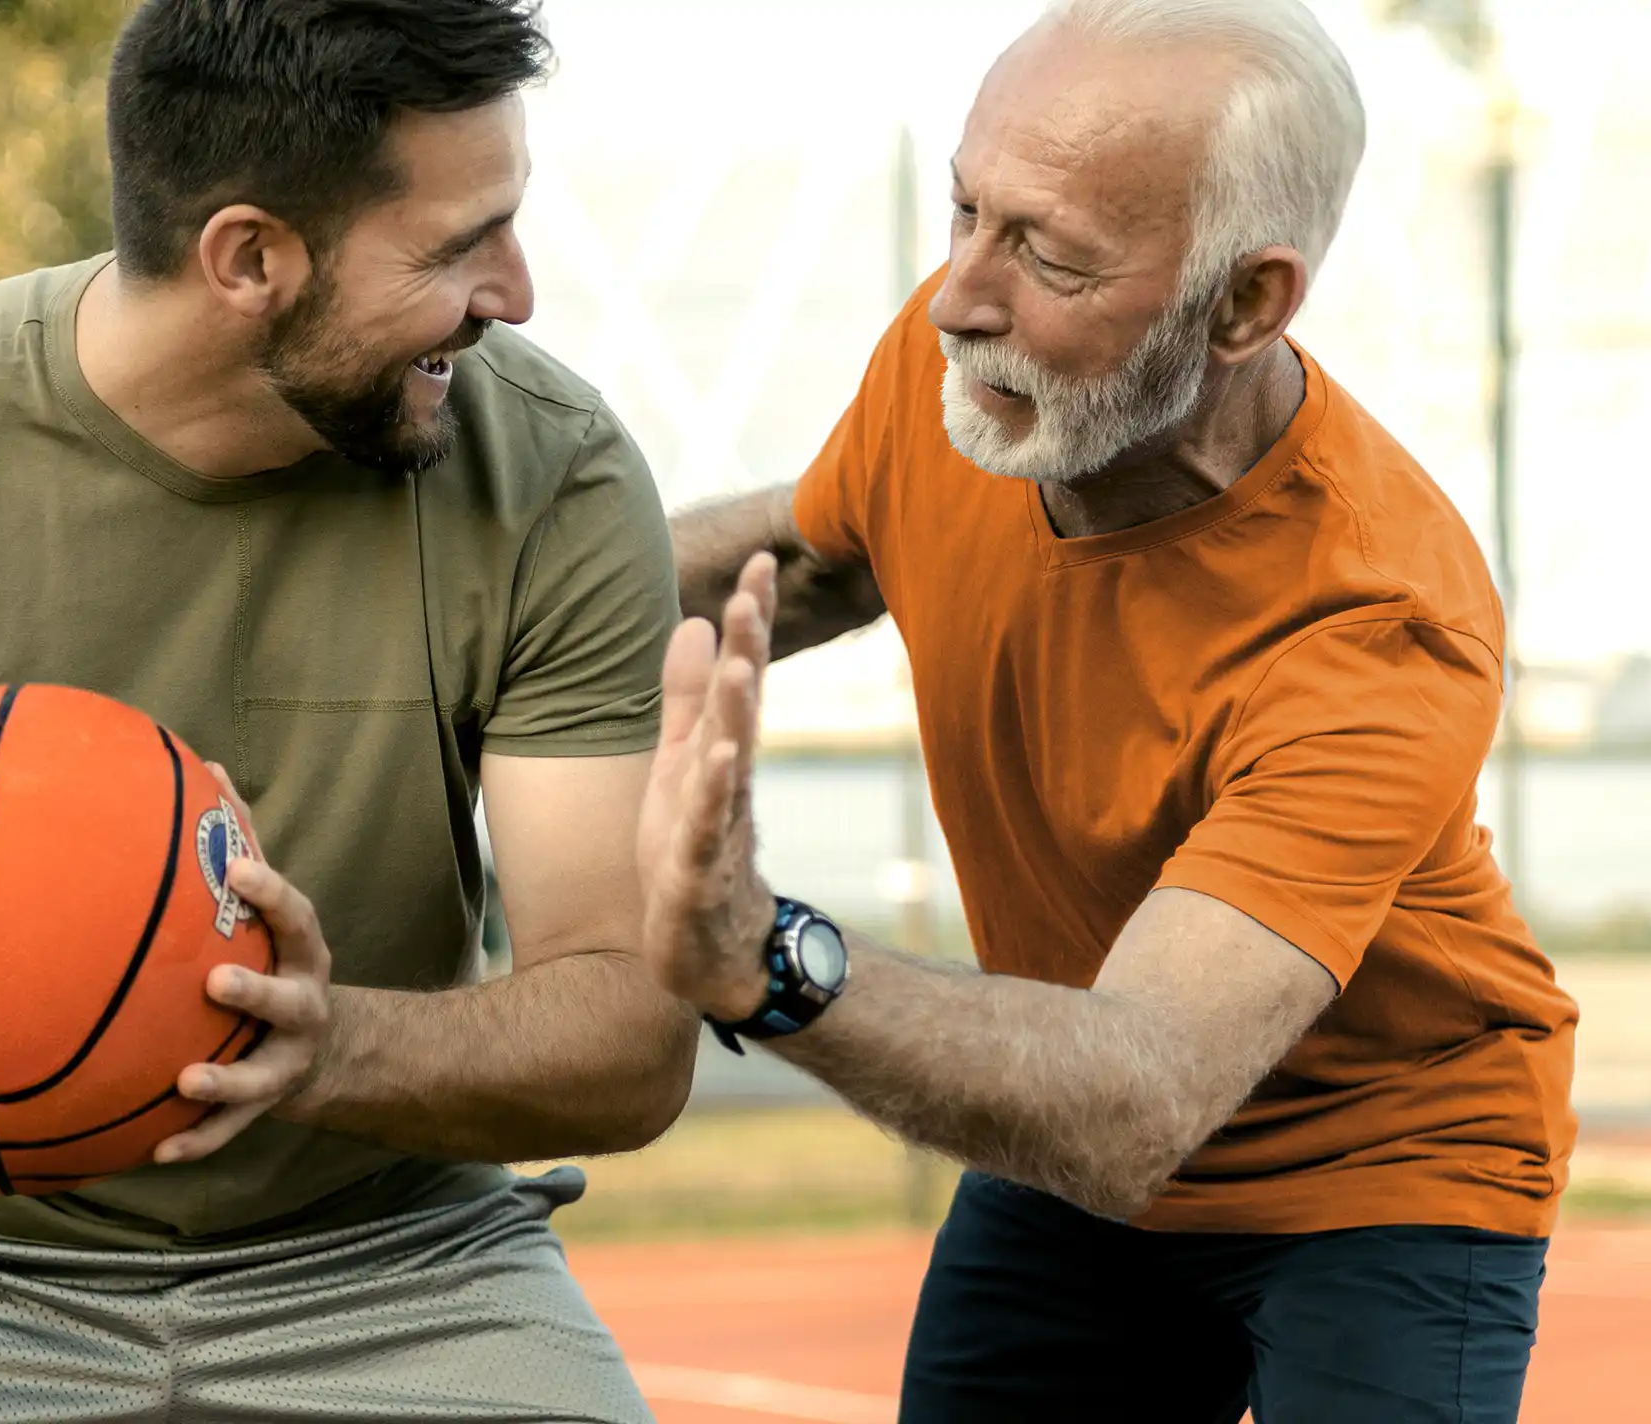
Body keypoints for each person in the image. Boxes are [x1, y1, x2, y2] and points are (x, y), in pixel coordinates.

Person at [0, 2, 692, 1418]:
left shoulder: (556, 478)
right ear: (250, 258)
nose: (517, 292)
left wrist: (326, 1044)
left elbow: (629, 1032)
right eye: (458, 246)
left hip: (393, 1256)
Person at [644, 2, 1579, 1421]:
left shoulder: (1380, 623)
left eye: (1049, 253)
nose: (963, 293)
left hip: (1372, 1163)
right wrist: (466, 629)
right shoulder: (969, 365)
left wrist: (762, 954)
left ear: (1246, 305)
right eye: (967, 209)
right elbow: (818, 557)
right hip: (1075, 1118)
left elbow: (1132, 1100)